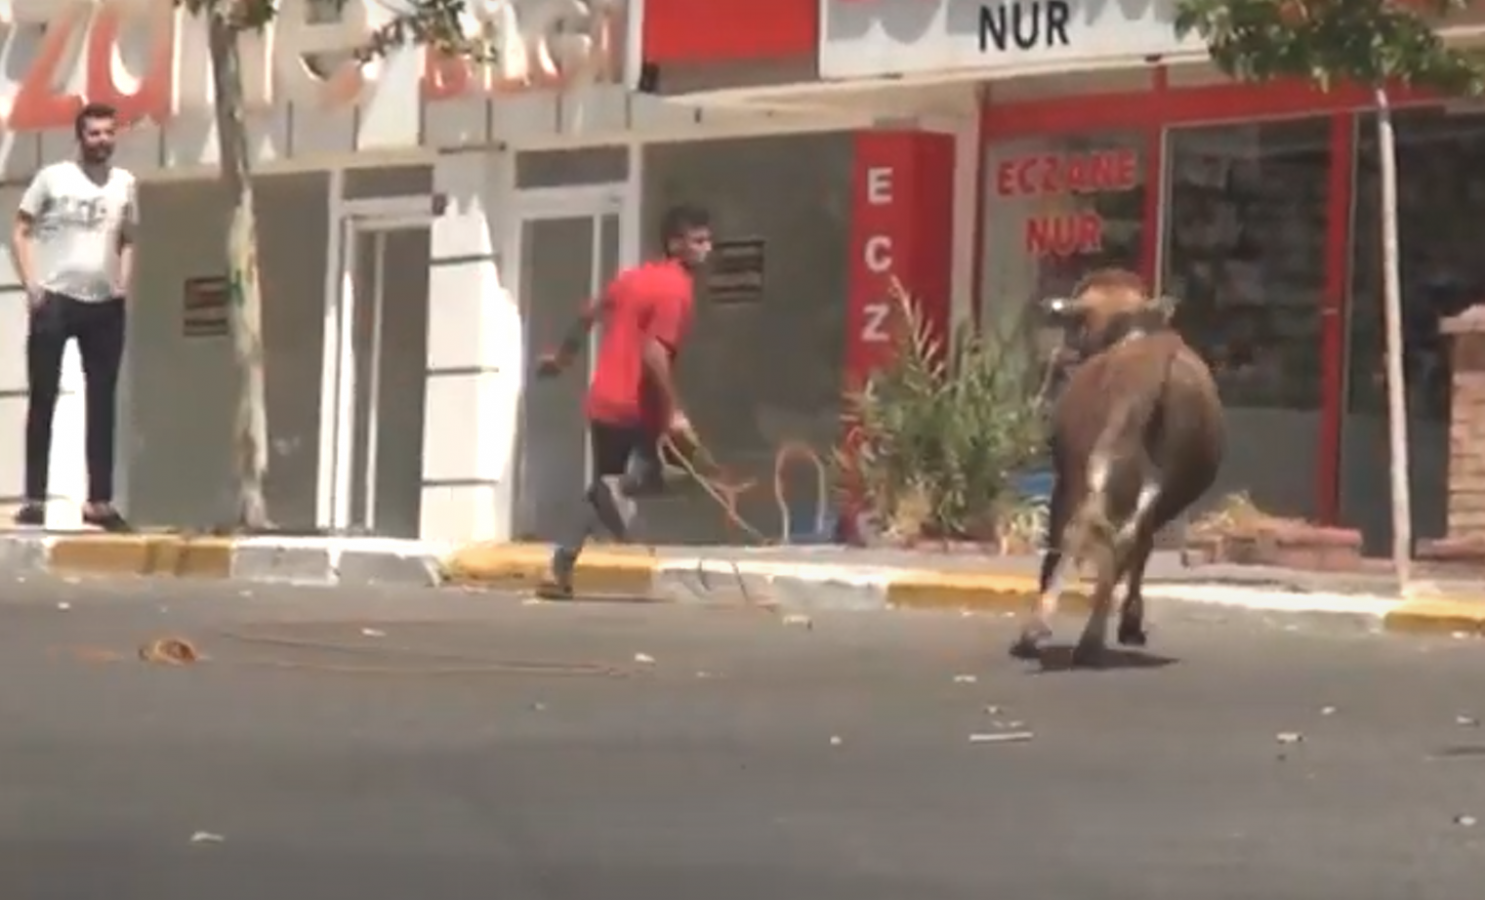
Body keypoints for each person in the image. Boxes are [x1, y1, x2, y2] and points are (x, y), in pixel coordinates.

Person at [534, 204, 713, 598]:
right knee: (670, 475)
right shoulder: (676, 290)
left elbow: (586, 314)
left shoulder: (633, 279)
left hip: (603, 402)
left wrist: (563, 358)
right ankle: (620, 490)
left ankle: (558, 570)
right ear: (675, 244)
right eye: (698, 241)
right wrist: (675, 413)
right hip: (638, 405)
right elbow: (654, 355)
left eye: (707, 240)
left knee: (601, 488)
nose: (707, 249)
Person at [9, 102, 137, 531]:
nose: (102, 140)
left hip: (104, 304)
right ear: (79, 137)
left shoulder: (124, 184)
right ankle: (33, 498)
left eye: (107, 133)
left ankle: (99, 501)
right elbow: (20, 229)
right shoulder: (53, 178)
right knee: (43, 397)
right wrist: (31, 285)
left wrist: (123, 284)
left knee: (103, 402)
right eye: (94, 133)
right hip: (56, 299)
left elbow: (128, 237)